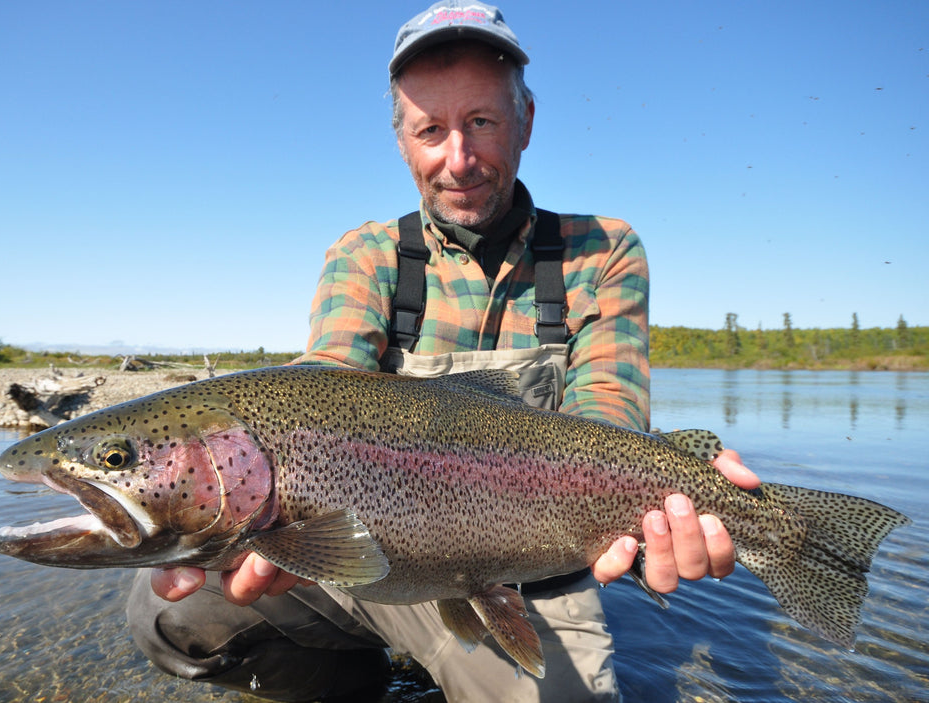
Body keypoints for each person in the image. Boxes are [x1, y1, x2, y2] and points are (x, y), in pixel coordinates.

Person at [127, 2, 759, 701]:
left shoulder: (600, 250)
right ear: (402, 142)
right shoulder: (367, 254)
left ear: (526, 123)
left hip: (529, 573)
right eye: (431, 129)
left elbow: (608, 416)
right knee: (168, 608)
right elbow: (319, 384)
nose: (459, 159)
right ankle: (346, 679)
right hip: (363, 563)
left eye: (482, 122)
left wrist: (681, 489)